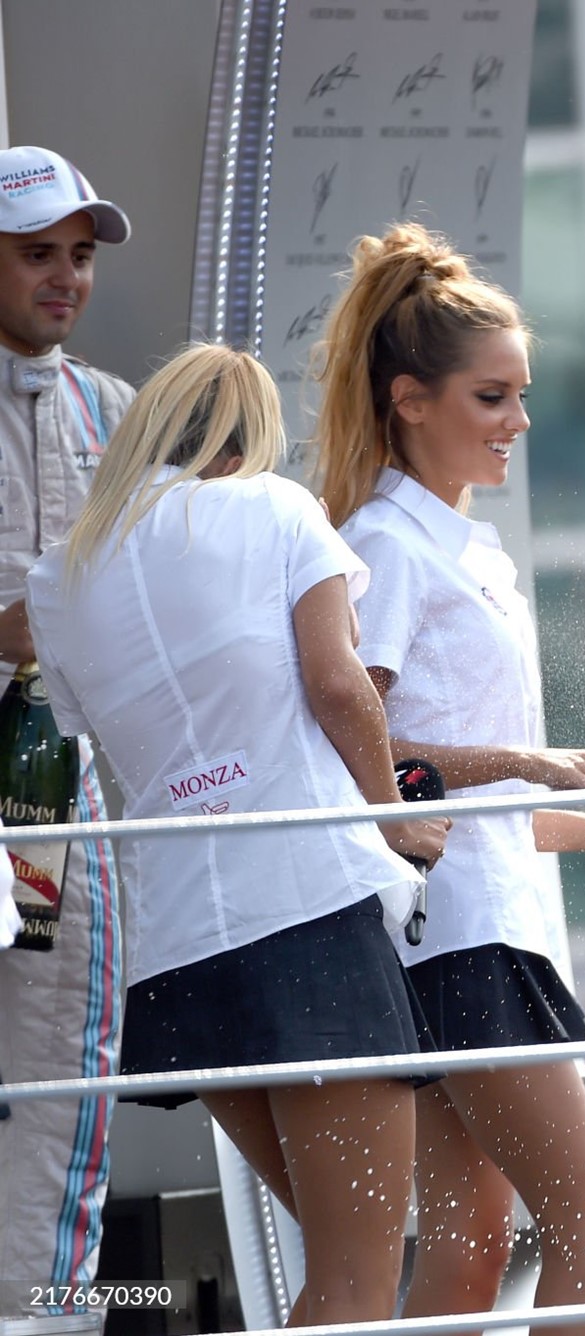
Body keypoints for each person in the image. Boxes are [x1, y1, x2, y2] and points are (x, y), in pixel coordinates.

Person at [314, 222, 585, 1336]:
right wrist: (533, 761)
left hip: (489, 923)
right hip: (458, 938)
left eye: (522, 394)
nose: (520, 422)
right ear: (409, 399)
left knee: (472, 1246)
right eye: (492, 398)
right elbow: (370, 759)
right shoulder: (387, 544)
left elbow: (457, 795)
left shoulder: (467, 546)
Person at [23, 343, 451, 1325]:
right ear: (242, 440)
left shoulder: (64, 577)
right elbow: (341, 685)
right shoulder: (273, 508)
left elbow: (99, 731)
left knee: (343, 1267)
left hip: (175, 953)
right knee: (358, 1281)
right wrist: (394, 822)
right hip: (303, 913)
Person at [0, 145, 131, 1321]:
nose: (66, 278)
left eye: (79, 256)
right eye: (38, 253)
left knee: (60, 1062)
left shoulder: (112, 409)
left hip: (44, 789)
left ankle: (44, 1314)